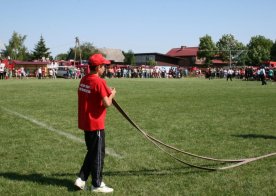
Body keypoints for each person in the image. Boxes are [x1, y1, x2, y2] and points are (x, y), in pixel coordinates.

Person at [74, 53, 116, 193]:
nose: (105, 68)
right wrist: (112, 94)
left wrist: (104, 92)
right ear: (98, 67)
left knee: (92, 152)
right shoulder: (100, 81)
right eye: (104, 66)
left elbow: (90, 95)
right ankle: (96, 184)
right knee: (98, 154)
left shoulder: (84, 79)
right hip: (95, 123)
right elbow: (107, 103)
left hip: (85, 121)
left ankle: (81, 179)